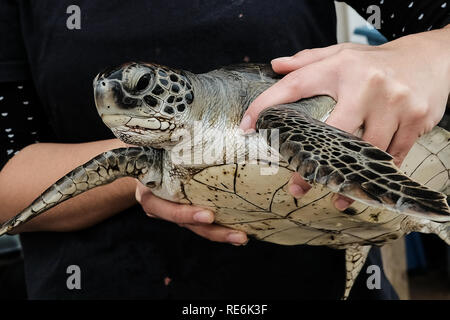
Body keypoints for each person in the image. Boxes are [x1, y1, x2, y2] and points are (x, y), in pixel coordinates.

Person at [0, 0, 448, 299]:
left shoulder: (274, 122)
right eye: (105, 95)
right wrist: (156, 163)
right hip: (97, 283)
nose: (111, 100)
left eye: (138, 88)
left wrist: (427, 53)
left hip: (311, 277)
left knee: (283, 129)